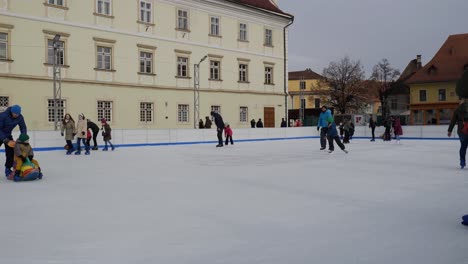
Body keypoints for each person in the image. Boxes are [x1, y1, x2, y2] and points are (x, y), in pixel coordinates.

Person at [0, 105, 27, 176]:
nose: (16, 115)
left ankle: (8, 169)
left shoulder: (20, 117)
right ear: (11, 112)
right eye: (15, 114)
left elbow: (23, 127)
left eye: (18, 114)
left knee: (10, 152)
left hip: (8, 135)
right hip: (1, 134)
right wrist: (5, 139)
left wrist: (23, 136)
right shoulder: (3, 116)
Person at [448, 99, 468, 168]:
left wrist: (449, 130)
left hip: (461, 130)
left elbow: (453, 121)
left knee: (463, 146)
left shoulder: (457, 109)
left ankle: (462, 161)